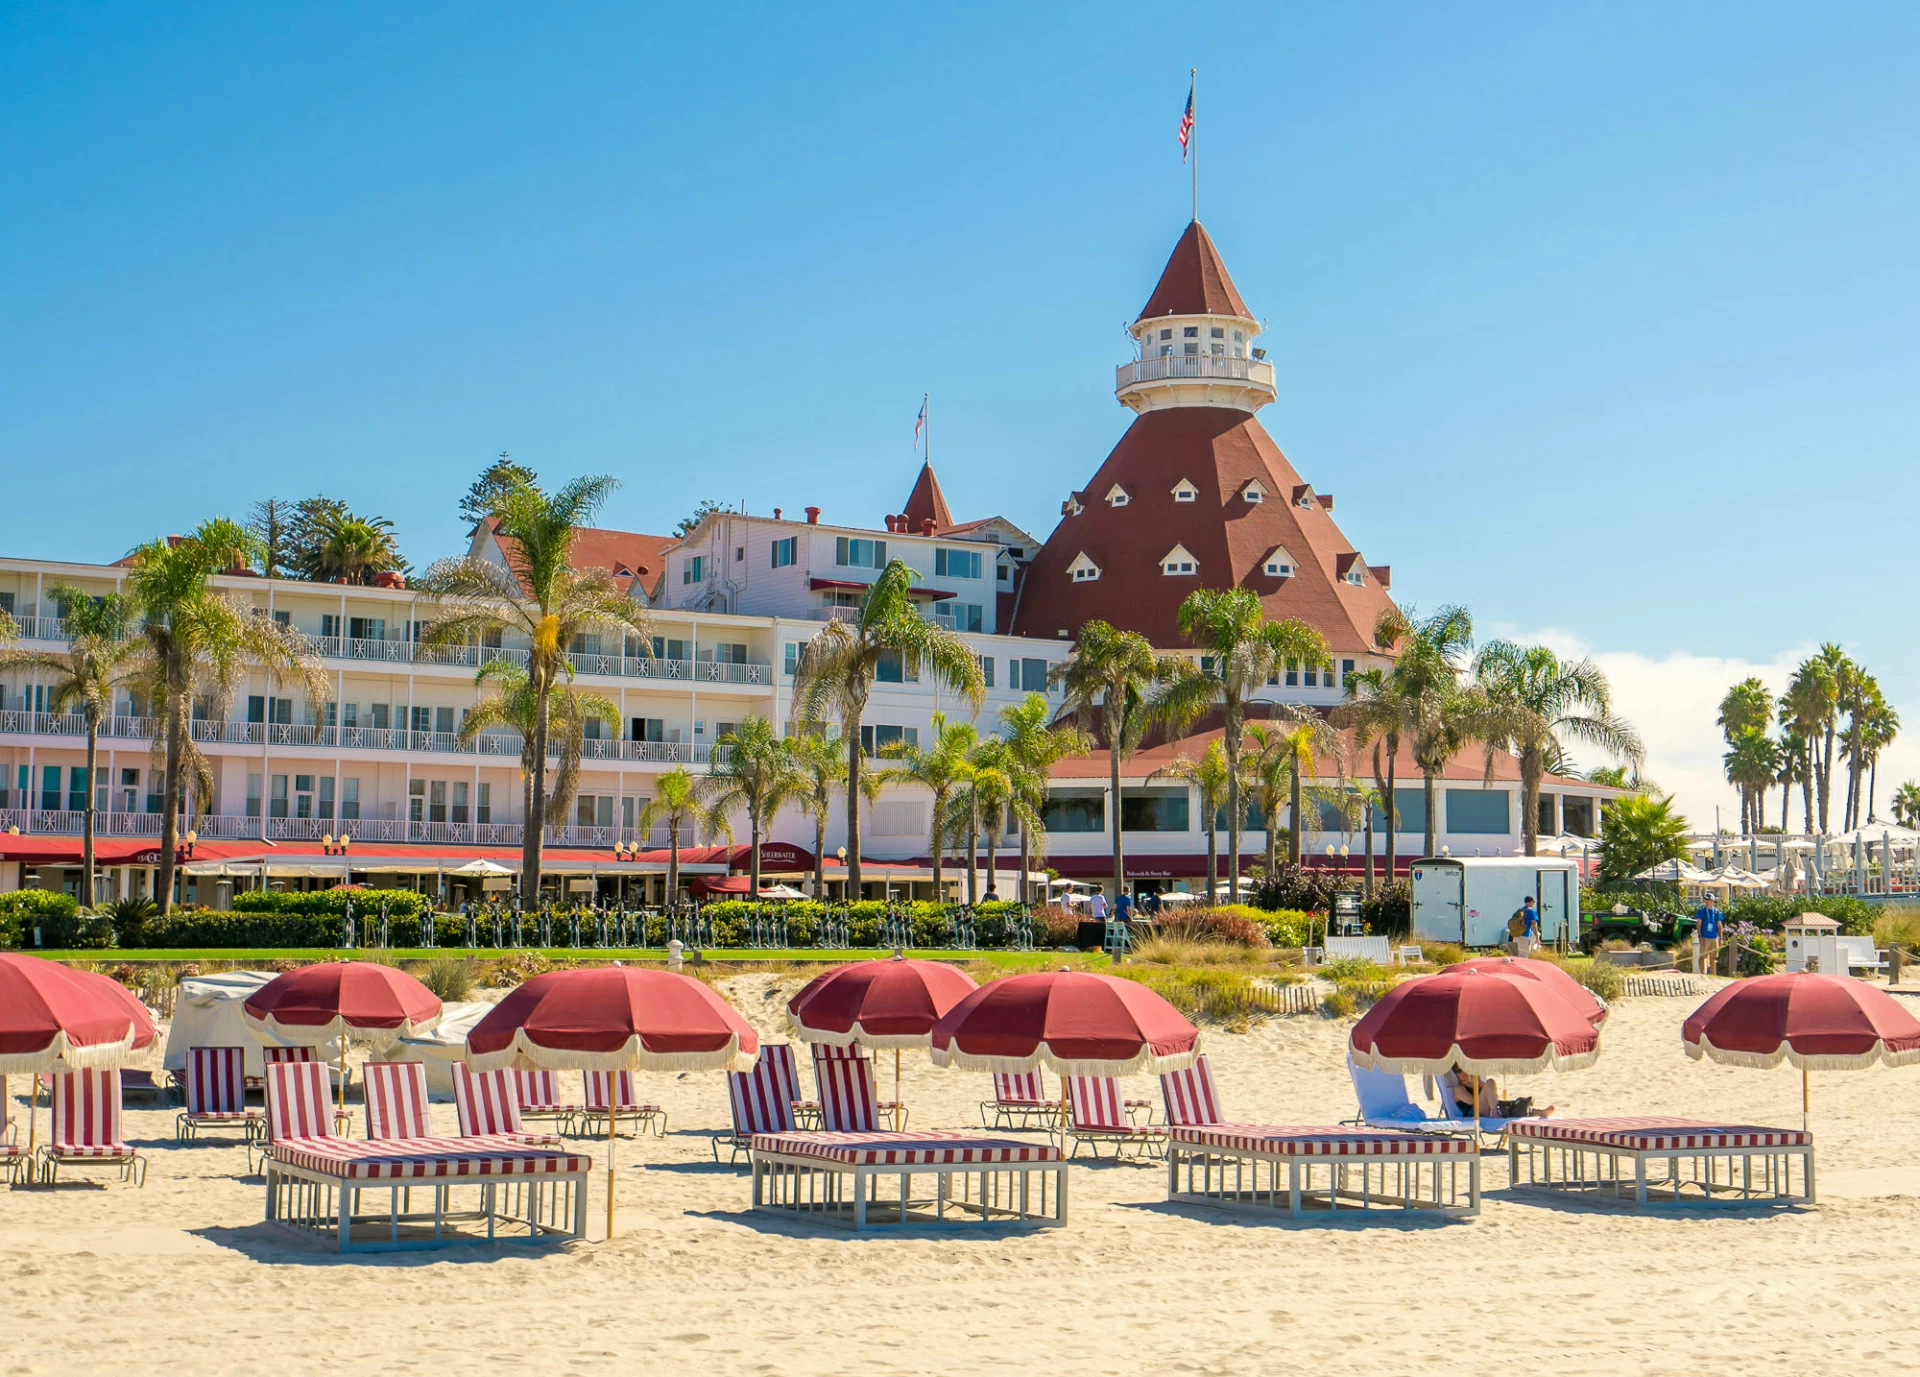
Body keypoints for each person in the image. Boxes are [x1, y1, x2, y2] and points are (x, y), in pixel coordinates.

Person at [1694, 891, 1725, 974]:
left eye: (1708, 900)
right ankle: (1703, 974)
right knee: (1703, 957)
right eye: (1705, 900)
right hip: (1704, 937)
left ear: (1712, 901)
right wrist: (1700, 937)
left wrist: (1721, 938)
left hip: (1714, 938)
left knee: (1713, 958)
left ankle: (1713, 974)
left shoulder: (1716, 912)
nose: (1706, 901)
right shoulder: (1702, 911)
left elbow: (1719, 926)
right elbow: (1698, 925)